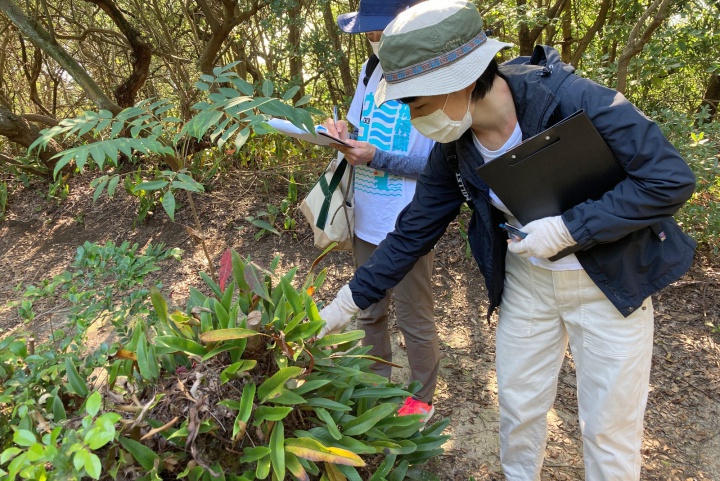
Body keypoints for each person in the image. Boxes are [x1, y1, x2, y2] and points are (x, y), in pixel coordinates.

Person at [318, 1, 697, 479]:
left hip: (609, 285)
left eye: (415, 102)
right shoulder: (454, 148)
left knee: (607, 429)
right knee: (518, 412)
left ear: (456, 82)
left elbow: (668, 179)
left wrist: (569, 228)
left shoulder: (574, 100)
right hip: (528, 287)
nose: (413, 117)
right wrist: (345, 304)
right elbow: (413, 231)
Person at [318, 0, 439, 421]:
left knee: (414, 317)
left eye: (378, 30)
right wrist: (339, 134)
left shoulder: (434, 77)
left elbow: (437, 168)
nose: (371, 39)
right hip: (367, 214)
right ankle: (375, 391)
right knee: (369, 311)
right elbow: (357, 124)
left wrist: (377, 157)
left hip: (408, 223)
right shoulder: (372, 72)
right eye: (367, 32)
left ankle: (419, 403)